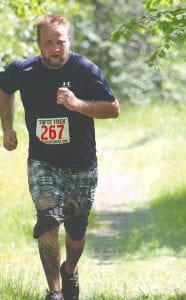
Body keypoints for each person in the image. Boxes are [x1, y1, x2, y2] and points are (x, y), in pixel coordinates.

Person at [0, 14, 120, 300]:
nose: (56, 49)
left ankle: (70, 270)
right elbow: (4, 89)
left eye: (61, 42)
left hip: (81, 164)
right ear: (39, 43)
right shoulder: (23, 69)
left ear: (70, 41)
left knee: (76, 234)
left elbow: (113, 109)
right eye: (49, 43)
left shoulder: (85, 70)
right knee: (48, 218)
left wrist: (77, 104)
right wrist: (7, 128)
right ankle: (54, 291)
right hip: (43, 161)